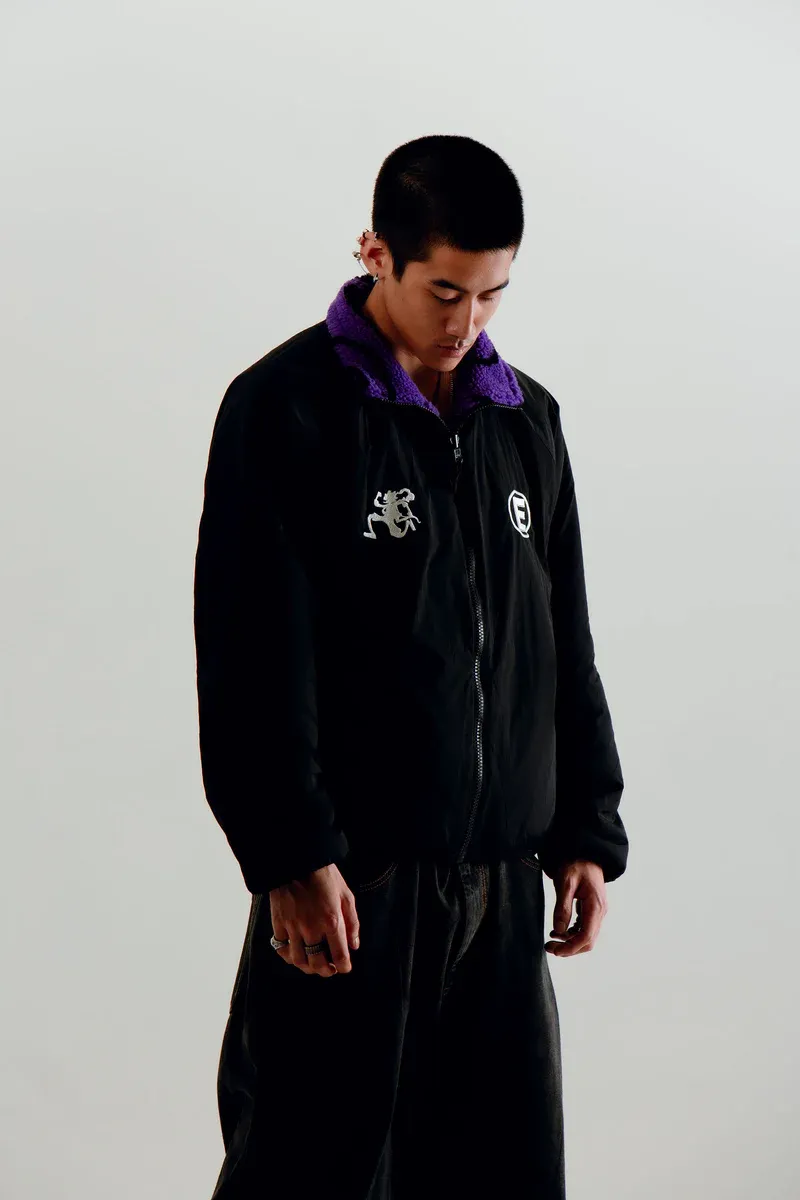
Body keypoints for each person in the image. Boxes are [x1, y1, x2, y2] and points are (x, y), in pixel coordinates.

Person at [193, 133, 628, 1200]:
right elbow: (249, 651)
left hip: (500, 887)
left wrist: (584, 827)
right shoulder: (286, 408)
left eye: (491, 294)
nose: (466, 322)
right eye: (444, 291)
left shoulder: (525, 420)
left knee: (497, 1177)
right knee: (311, 1174)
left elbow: (563, 638)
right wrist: (291, 854)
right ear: (375, 253)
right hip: (355, 886)